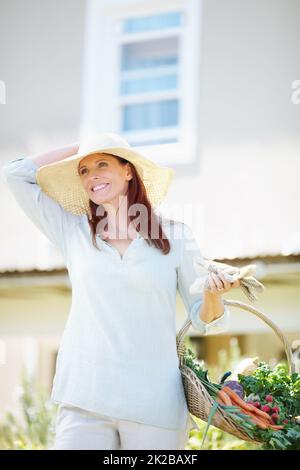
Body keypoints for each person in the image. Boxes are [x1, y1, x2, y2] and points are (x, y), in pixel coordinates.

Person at [2, 132, 240, 450]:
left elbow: (206, 319)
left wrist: (213, 295)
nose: (92, 175)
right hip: (84, 401)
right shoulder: (71, 232)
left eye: (103, 163)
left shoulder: (175, 237)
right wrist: (82, 147)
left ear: (128, 170)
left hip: (155, 405)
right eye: (83, 170)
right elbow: (16, 174)